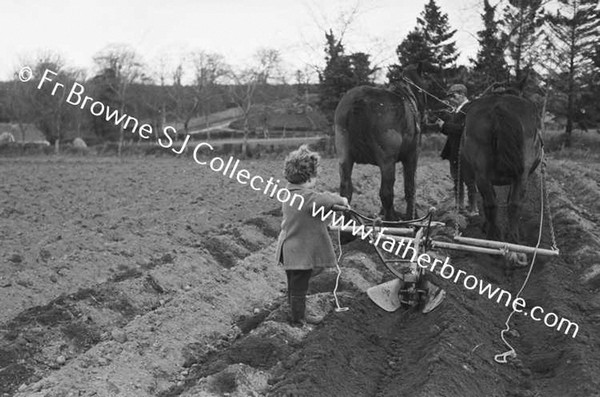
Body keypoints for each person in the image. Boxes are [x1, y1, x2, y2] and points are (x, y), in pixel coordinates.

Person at [275, 144, 349, 327]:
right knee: (300, 285)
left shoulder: (288, 192)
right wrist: (342, 200)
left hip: (288, 248)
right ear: (308, 178)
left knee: (294, 284)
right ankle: (298, 319)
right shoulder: (307, 198)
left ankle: (294, 312)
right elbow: (326, 199)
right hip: (299, 252)